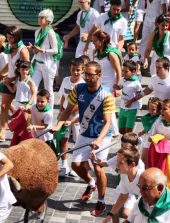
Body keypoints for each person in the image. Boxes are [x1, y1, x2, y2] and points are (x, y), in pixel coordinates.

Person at [52, 61, 115, 216]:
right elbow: (67, 110)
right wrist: (58, 125)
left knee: (98, 168)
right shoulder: (78, 89)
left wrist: (99, 141)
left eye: (90, 74)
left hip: (101, 137)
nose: (86, 77)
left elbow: (108, 123)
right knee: (75, 165)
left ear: (99, 75)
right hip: (84, 133)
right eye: (85, 74)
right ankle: (91, 183)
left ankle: (101, 201)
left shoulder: (106, 95)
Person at [0, 26, 29, 143]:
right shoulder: (9, 46)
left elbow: (26, 69)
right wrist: (1, 73)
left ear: (17, 36)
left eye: (11, 37)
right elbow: (10, 64)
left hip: (21, 82)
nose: (9, 39)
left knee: (24, 111)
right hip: (9, 80)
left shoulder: (23, 50)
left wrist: (12, 78)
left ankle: (26, 133)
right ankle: (2, 133)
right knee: (4, 106)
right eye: (8, 37)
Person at [57, 58, 85, 177]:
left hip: (76, 116)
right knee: (63, 139)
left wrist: (67, 113)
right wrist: (61, 109)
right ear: (70, 69)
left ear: (82, 70)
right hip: (65, 114)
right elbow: (63, 95)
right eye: (73, 70)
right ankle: (64, 165)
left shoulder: (83, 85)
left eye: (78, 70)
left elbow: (80, 104)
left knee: (78, 141)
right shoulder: (65, 80)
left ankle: (76, 165)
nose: (75, 72)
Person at [102, 145, 144, 223]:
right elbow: (123, 196)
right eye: (117, 161)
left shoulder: (143, 178)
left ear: (132, 165)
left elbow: (152, 201)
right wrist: (109, 216)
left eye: (121, 163)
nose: (117, 165)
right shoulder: (124, 174)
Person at [91, 30, 122, 137]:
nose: (93, 43)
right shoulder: (95, 52)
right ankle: (108, 129)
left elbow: (119, 71)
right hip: (98, 84)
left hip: (109, 85)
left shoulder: (111, 54)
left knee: (108, 108)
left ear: (102, 40)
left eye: (95, 41)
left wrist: (117, 87)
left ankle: (114, 131)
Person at [29, 9, 59, 108]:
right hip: (37, 63)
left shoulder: (51, 32)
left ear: (48, 20)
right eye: (39, 17)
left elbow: (55, 50)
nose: (39, 19)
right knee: (33, 87)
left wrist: (42, 50)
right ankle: (32, 110)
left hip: (48, 64)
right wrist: (33, 48)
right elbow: (37, 49)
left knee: (48, 89)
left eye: (42, 17)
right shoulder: (37, 31)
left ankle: (49, 111)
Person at [116, 60, 142, 134]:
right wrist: (116, 87)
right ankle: (125, 142)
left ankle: (130, 143)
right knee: (121, 130)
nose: (123, 73)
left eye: (126, 71)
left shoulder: (136, 83)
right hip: (122, 107)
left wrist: (131, 101)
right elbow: (120, 87)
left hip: (132, 109)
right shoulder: (122, 79)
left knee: (128, 131)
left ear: (133, 71)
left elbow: (140, 95)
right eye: (123, 71)